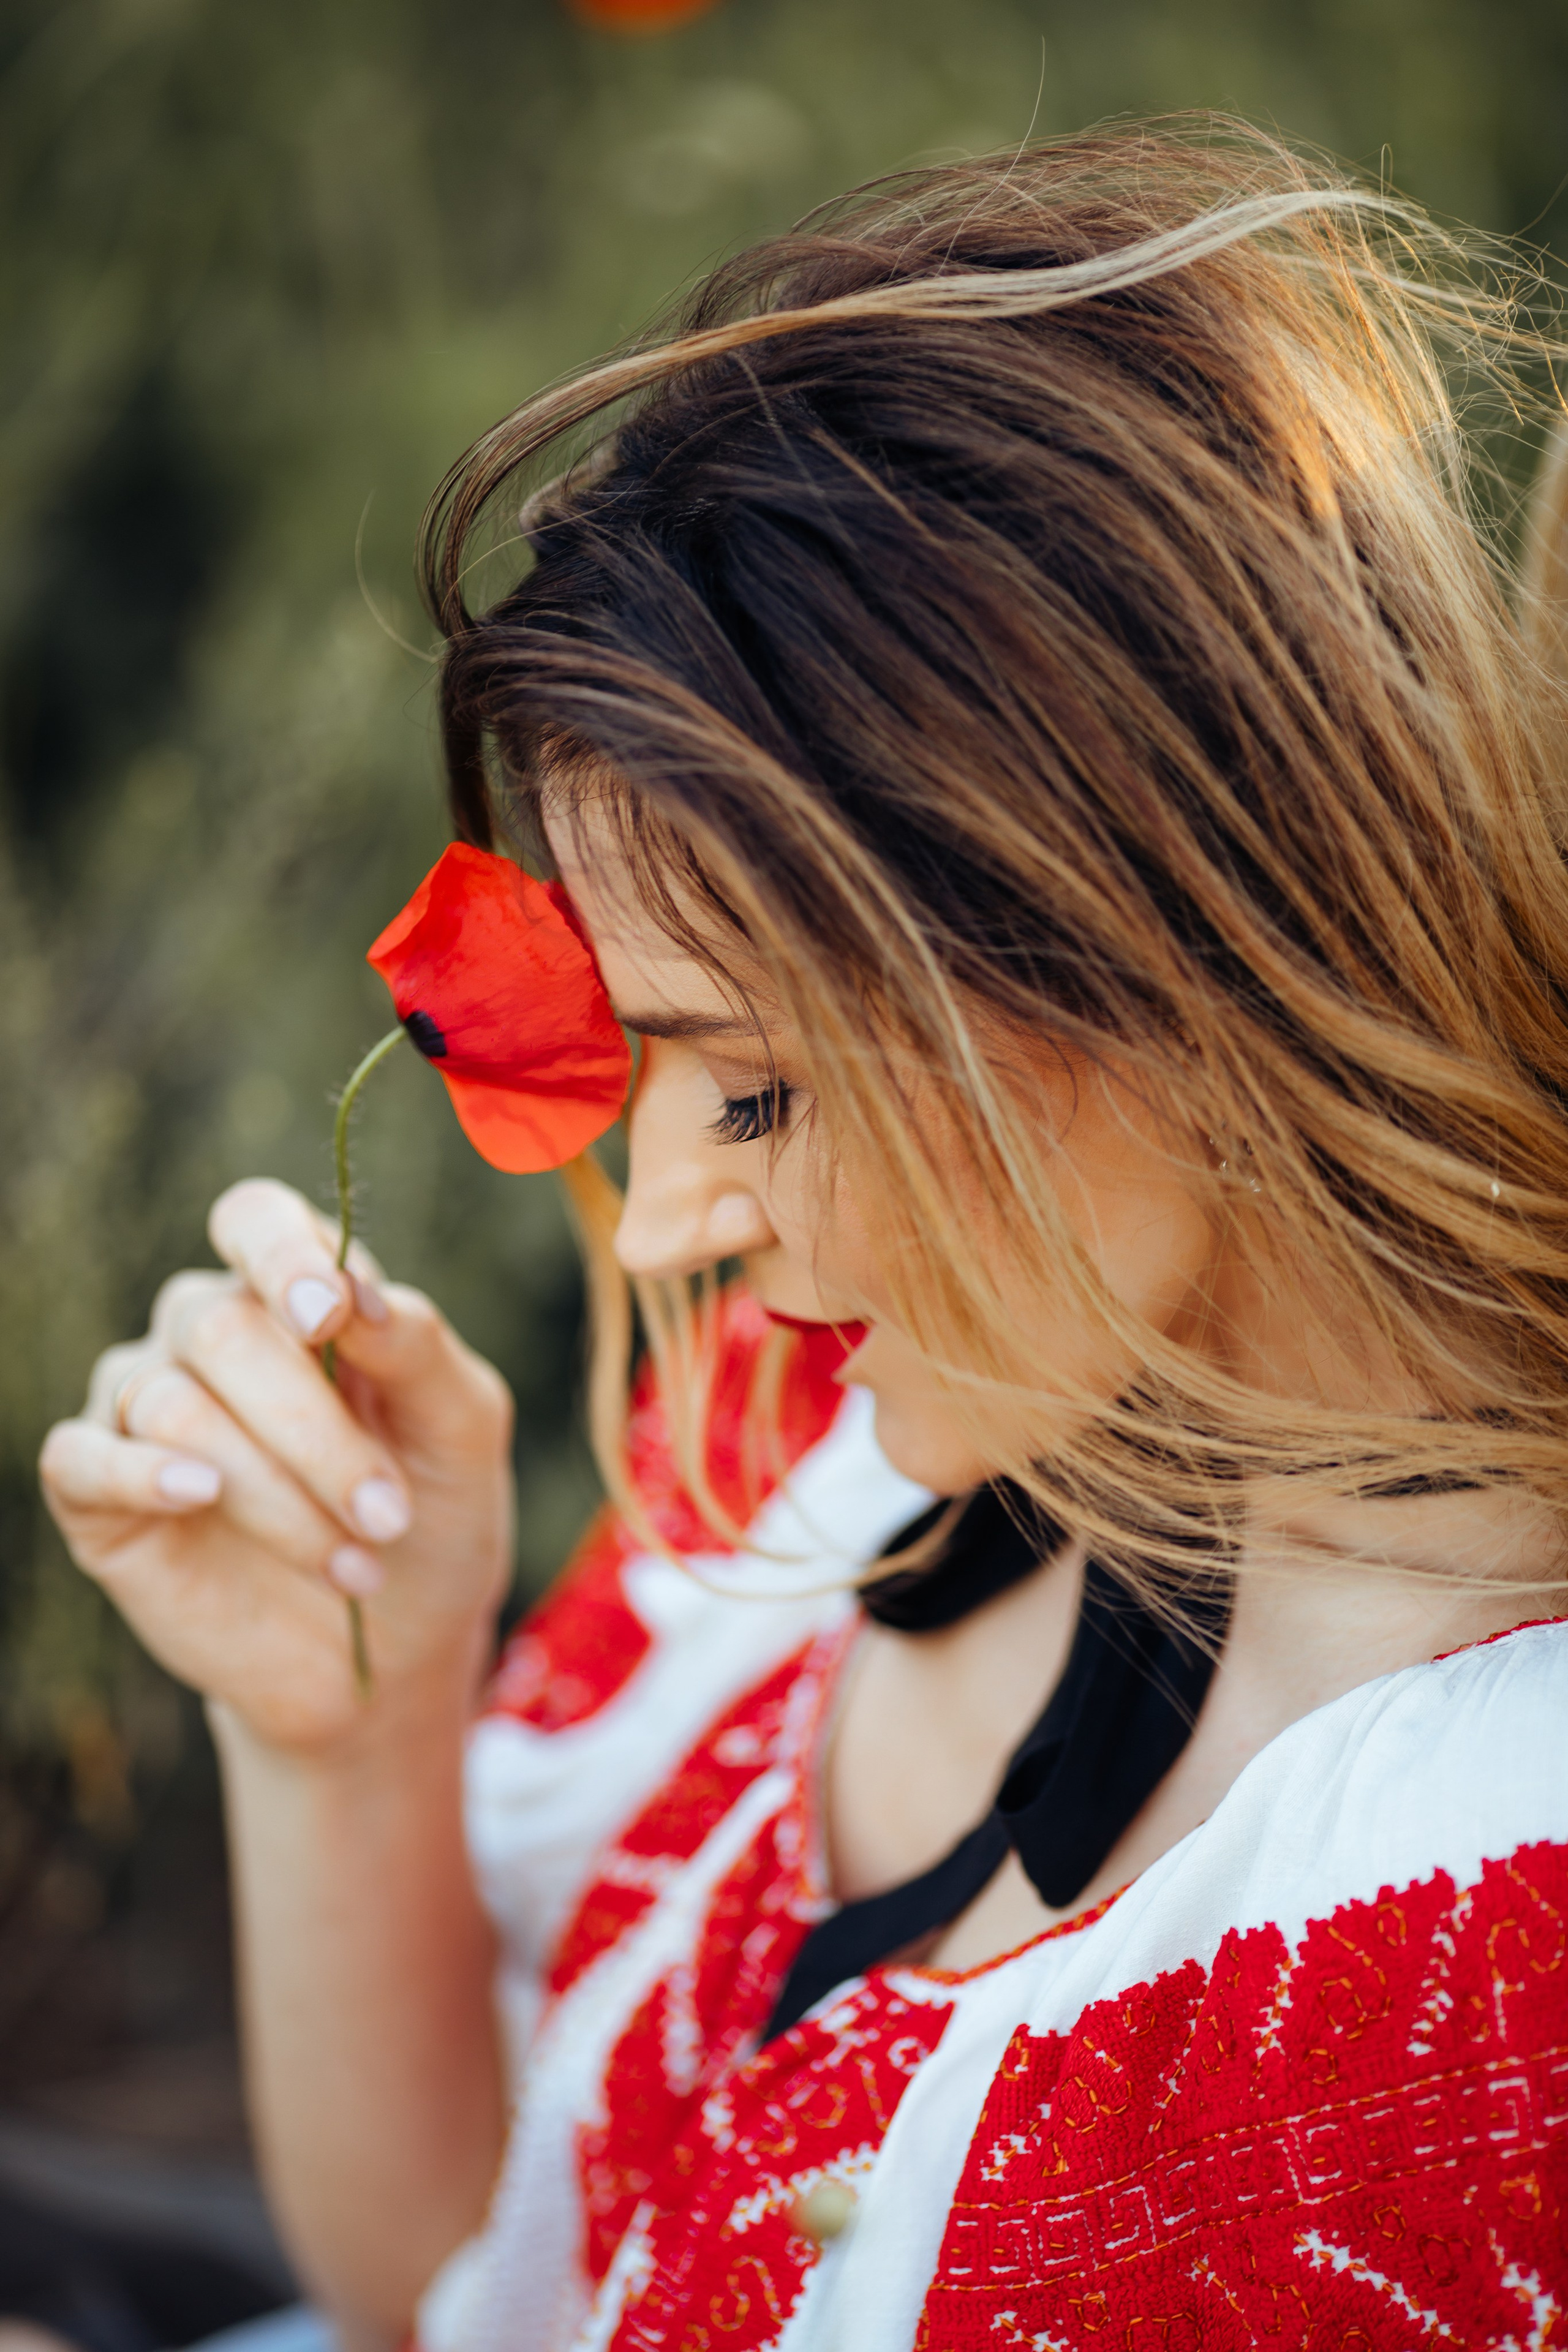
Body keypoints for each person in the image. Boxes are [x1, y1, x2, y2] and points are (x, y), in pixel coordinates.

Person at [39, 119, 1568, 2352]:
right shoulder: (832, 1441)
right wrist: (340, 1726)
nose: (657, 1216)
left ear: (1167, 954)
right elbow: (450, 2288)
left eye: (753, 1083)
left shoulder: (1480, 1951)